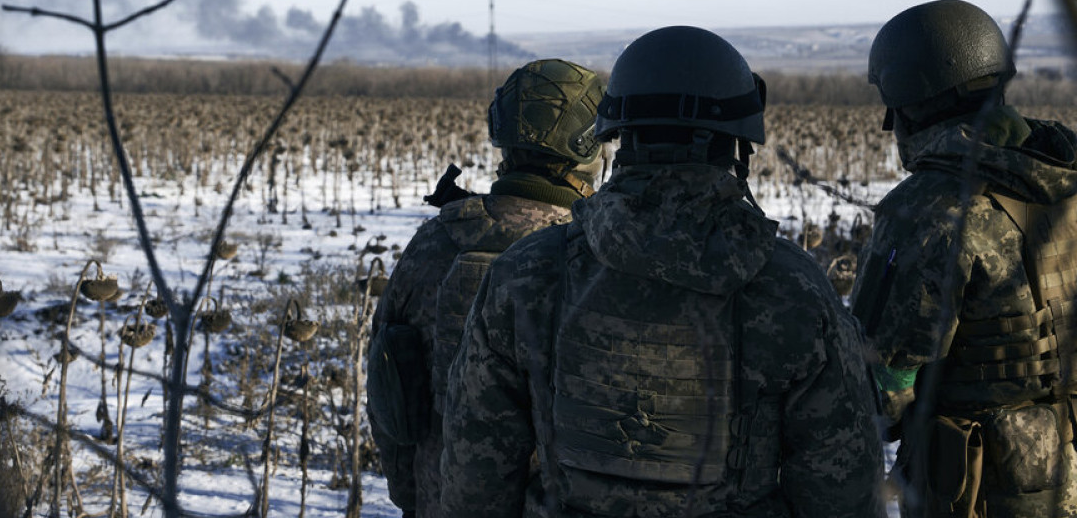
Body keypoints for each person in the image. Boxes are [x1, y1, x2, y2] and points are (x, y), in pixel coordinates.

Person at [441, 26, 885, 517]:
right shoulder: (794, 290)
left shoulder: (524, 276)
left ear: (613, 135)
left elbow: (474, 477)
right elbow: (844, 487)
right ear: (739, 145)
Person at [851, 0, 1077, 517]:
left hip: (987, 483)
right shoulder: (1066, 176)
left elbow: (879, 379)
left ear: (907, 102)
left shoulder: (928, 210)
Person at [366, 58, 606, 518]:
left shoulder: (435, 241)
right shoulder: (595, 255)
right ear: (588, 147)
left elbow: (389, 391)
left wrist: (415, 500)